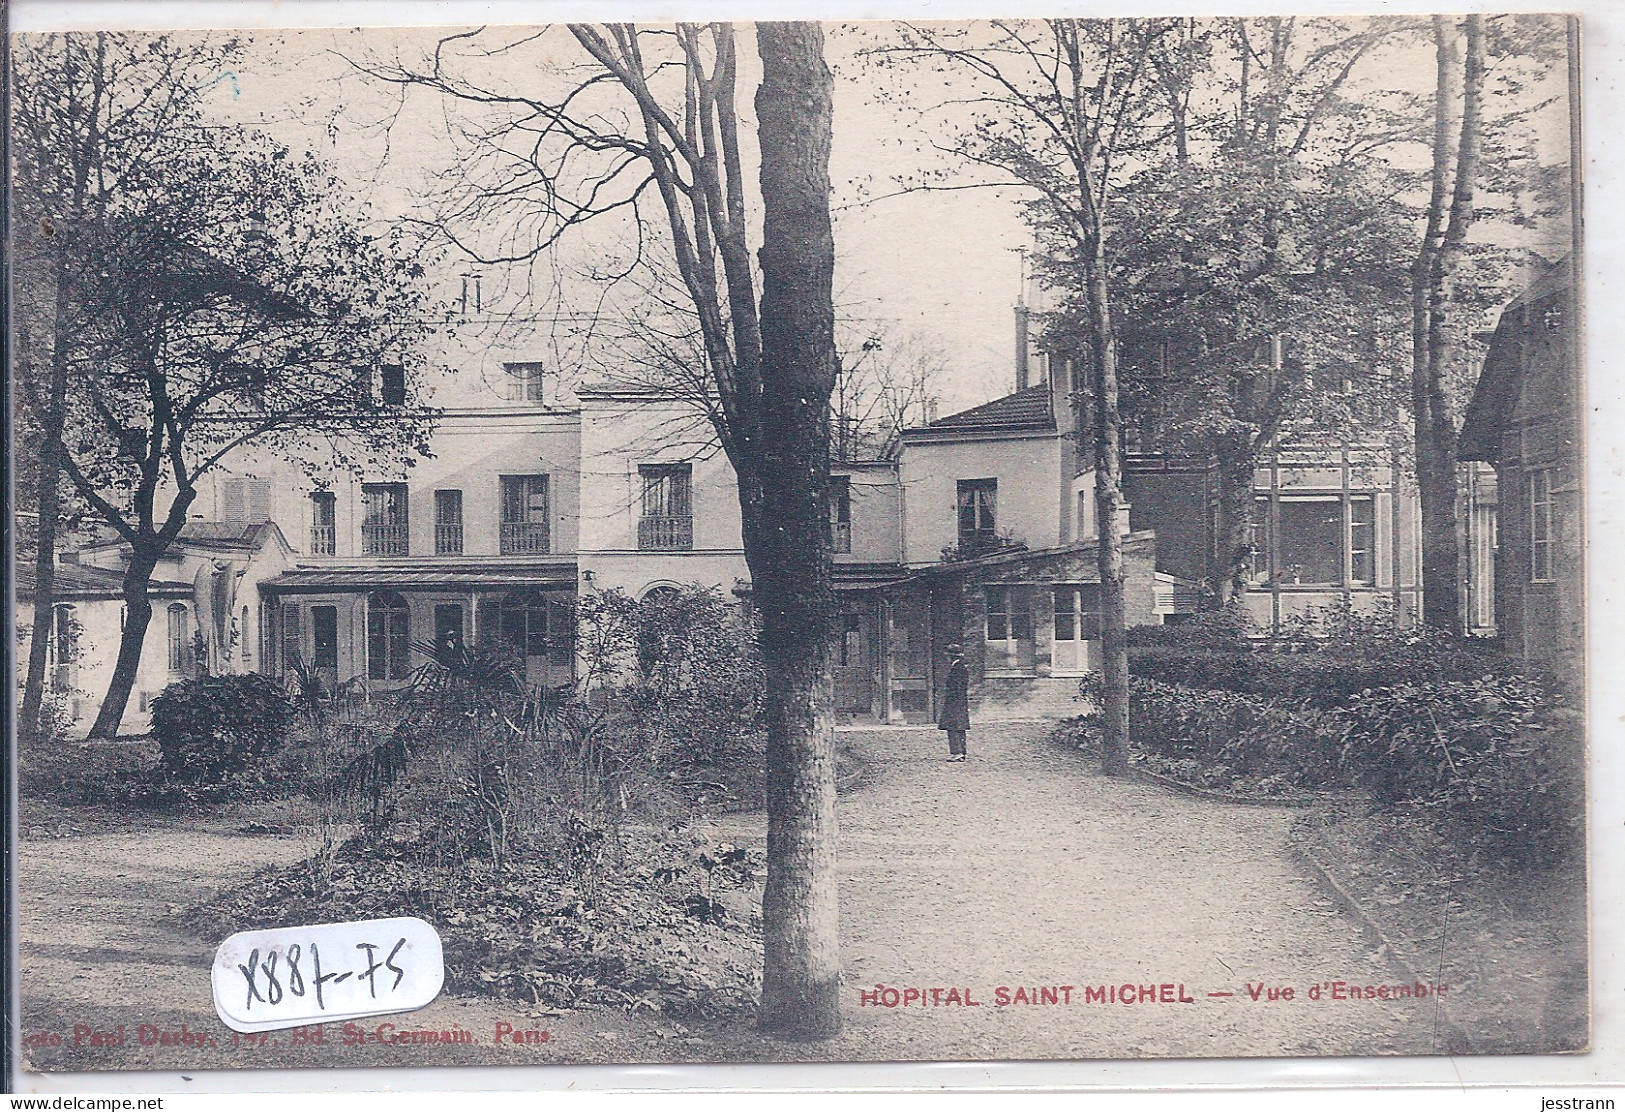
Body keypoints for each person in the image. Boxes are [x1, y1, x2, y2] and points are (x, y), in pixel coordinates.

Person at [937, 643, 970, 761]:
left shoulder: (957, 668)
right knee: (960, 727)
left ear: (951, 656)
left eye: (948, 656)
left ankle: (957, 752)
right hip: (960, 702)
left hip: (954, 702)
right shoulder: (962, 667)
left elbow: (956, 687)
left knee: (953, 727)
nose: (946, 658)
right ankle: (962, 752)